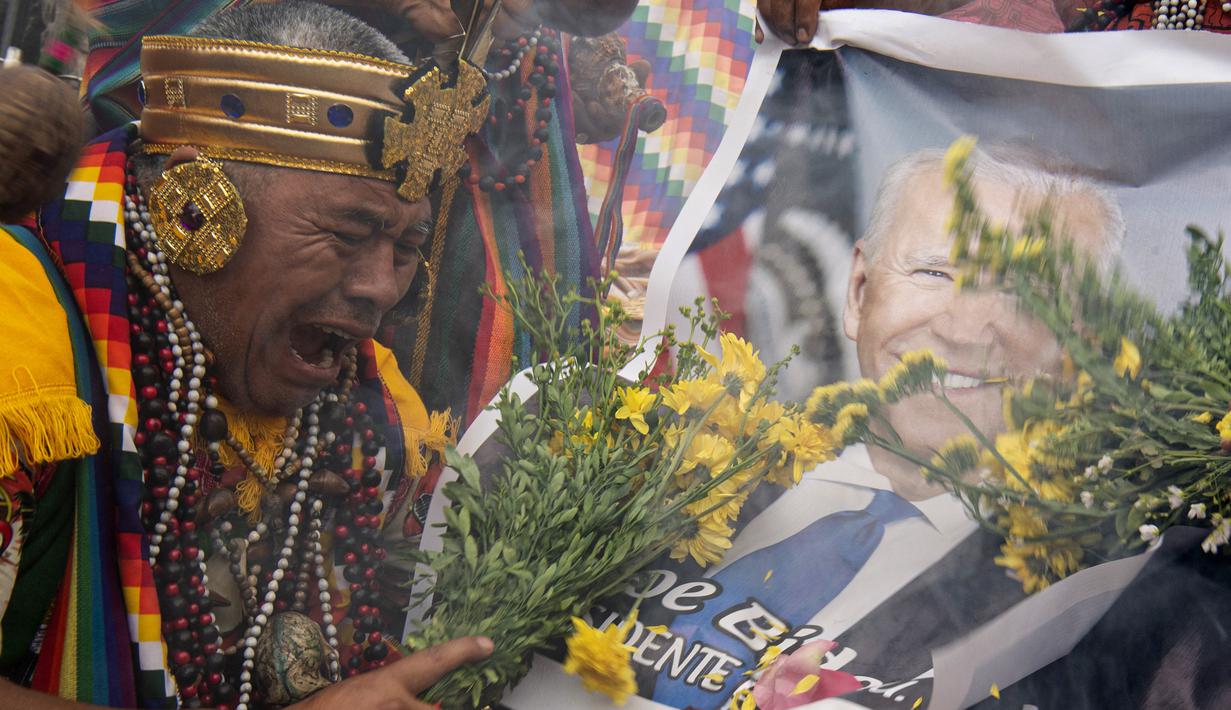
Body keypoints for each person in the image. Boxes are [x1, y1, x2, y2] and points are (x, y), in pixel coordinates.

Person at [502, 146, 1125, 710]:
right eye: (933, 273)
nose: (961, 331)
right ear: (858, 292)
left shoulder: (1088, 608)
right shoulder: (674, 462)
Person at [0, 3, 498, 708]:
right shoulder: (18, 340)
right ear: (192, 202)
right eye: (350, 232)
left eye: (407, 248)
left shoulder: (368, 395)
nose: (381, 289)